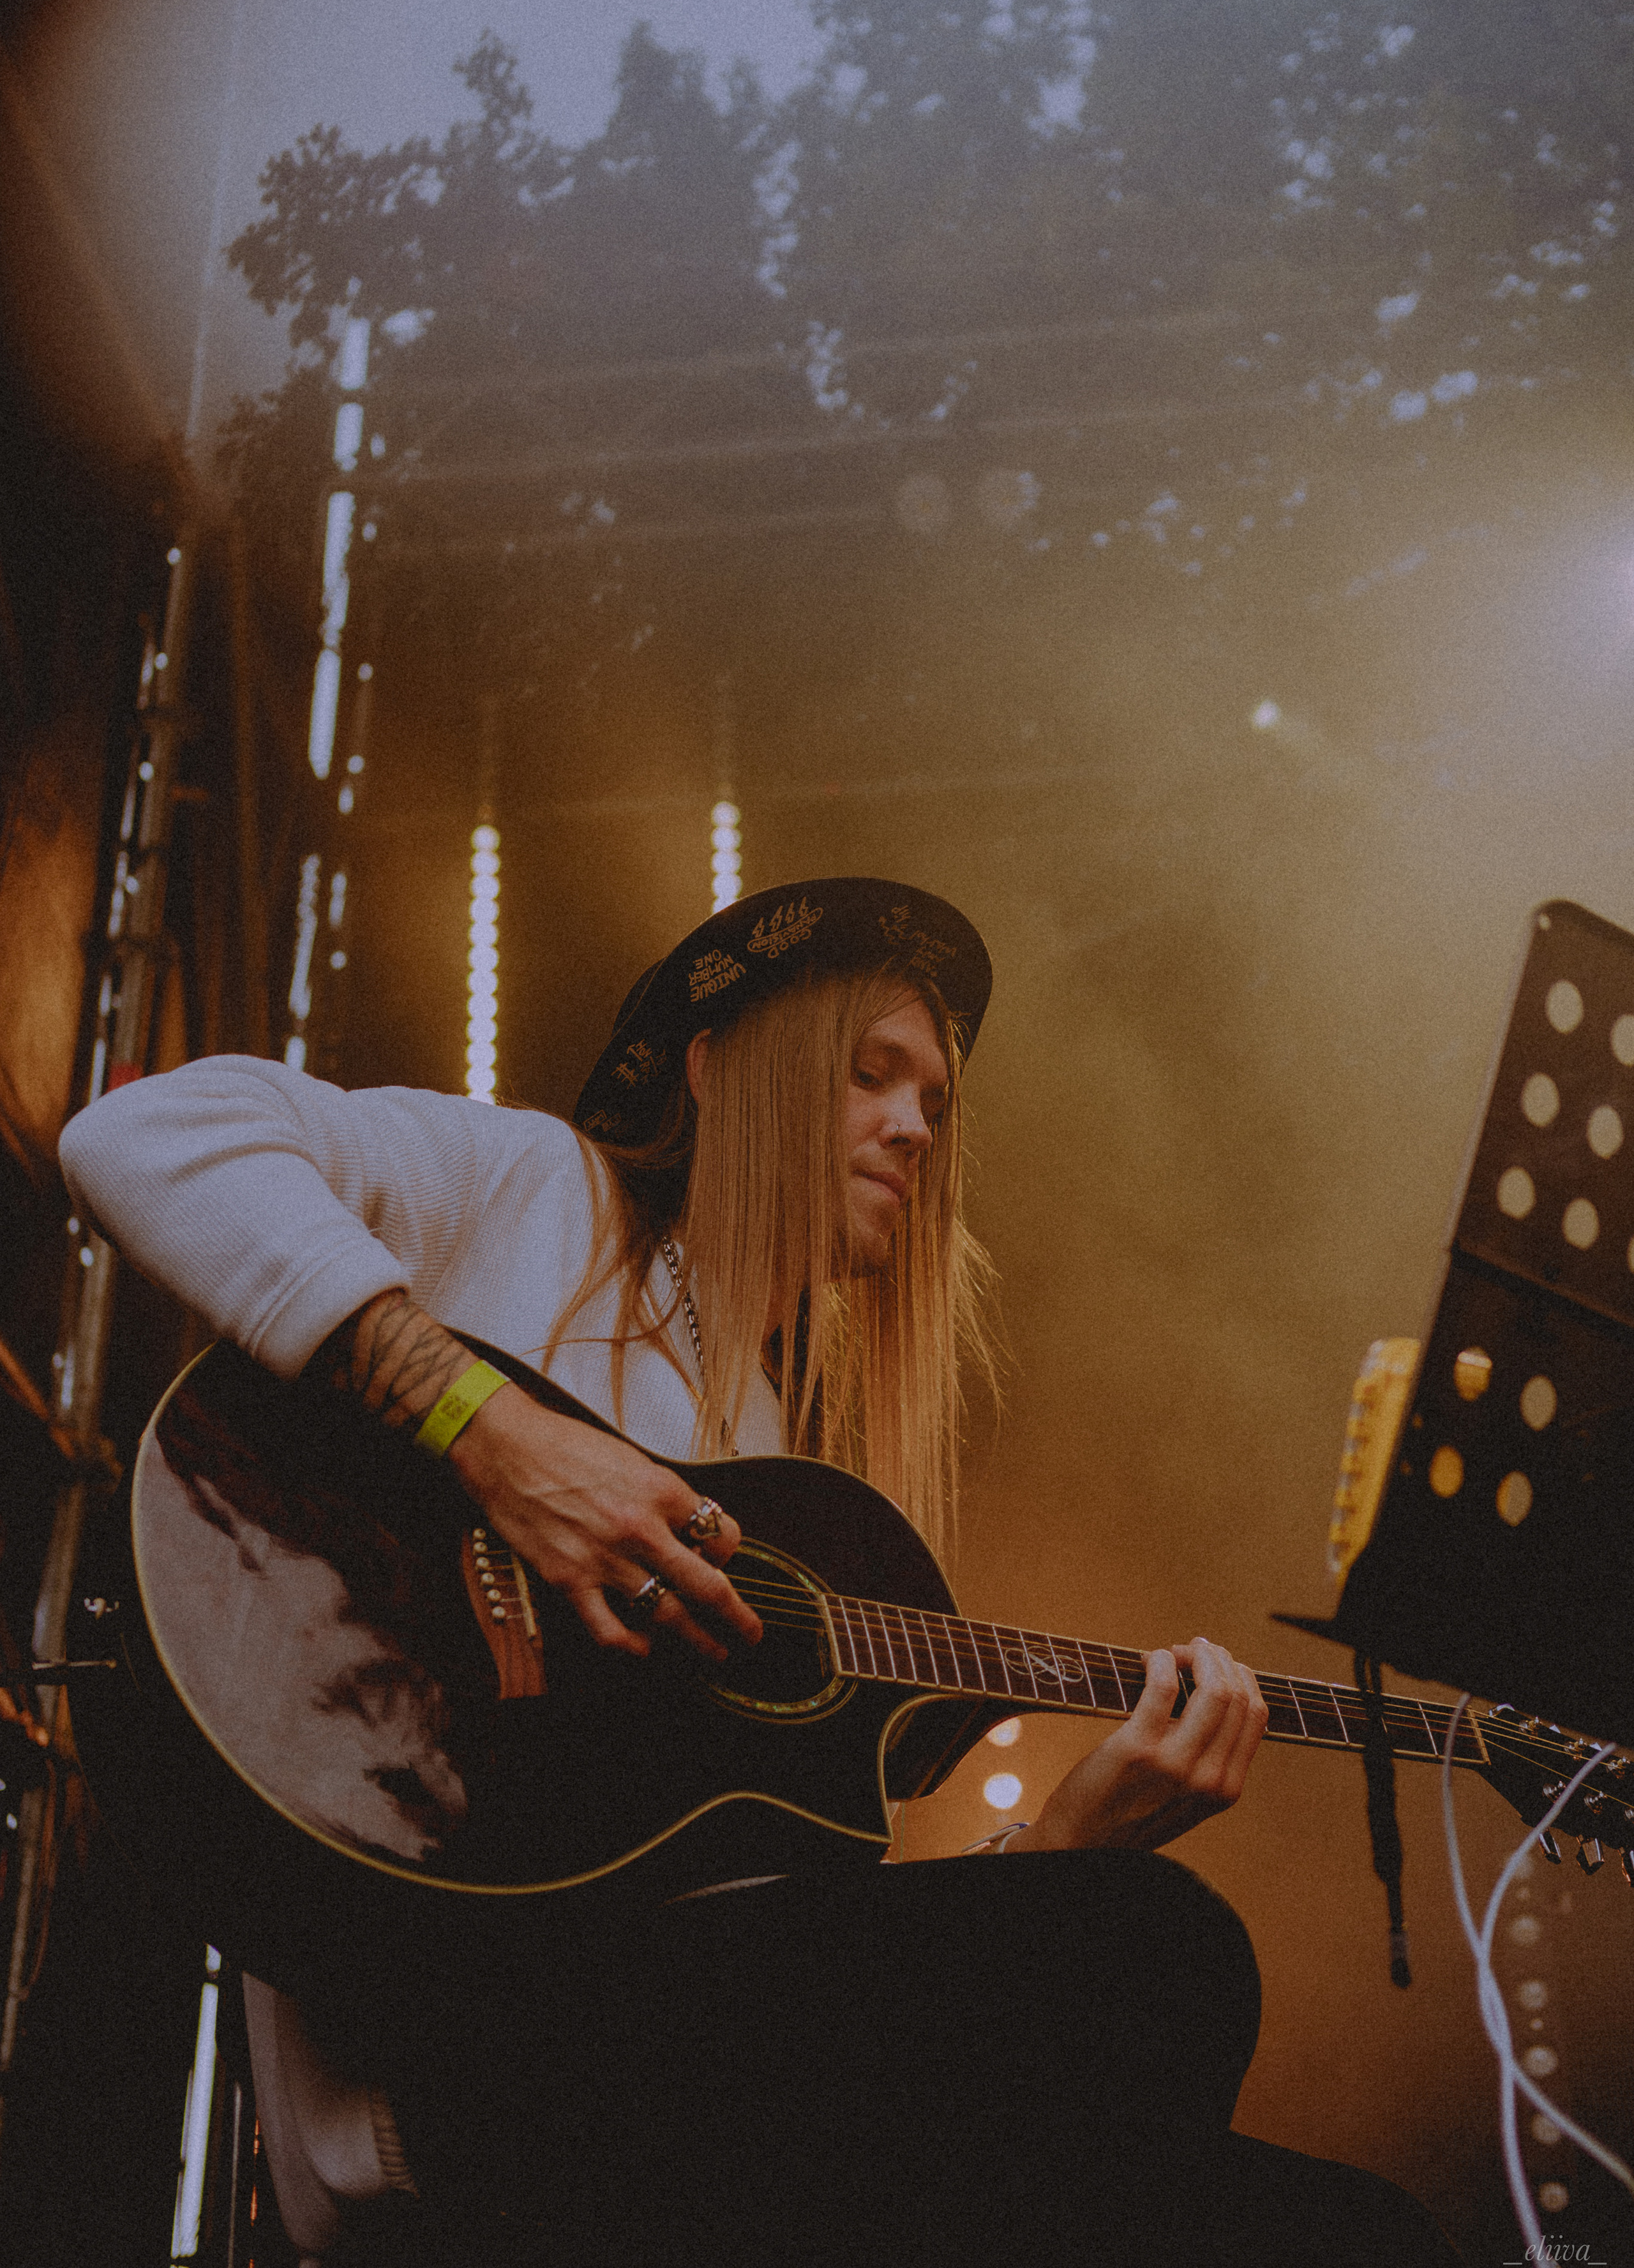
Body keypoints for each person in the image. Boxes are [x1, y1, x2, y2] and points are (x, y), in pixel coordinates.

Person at [60, 877, 1460, 2267]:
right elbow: (142, 1131)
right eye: (869, 1075)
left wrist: (1066, 1842)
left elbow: (777, 1931)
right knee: (1160, 1956)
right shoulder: (534, 1195)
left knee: (1353, 2229)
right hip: (459, 2086)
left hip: (689, 2089)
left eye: (934, 1102)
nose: (913, 1124)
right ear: (718, 1067)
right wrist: (481, 1429)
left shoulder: (793, 1481)